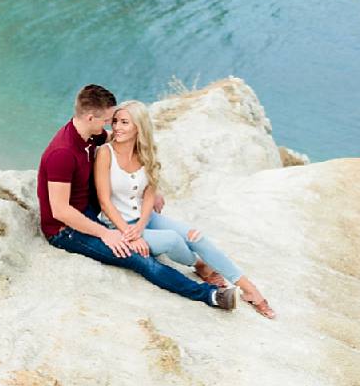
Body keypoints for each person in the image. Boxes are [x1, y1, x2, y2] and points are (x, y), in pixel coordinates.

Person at [39, 84, 235, 309]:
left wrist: (149, 187)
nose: (111, 125)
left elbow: (123, 142)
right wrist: (105, 234)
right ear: (91, 117)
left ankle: (198, 264)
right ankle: (210, 295)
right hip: (66, 230)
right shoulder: (62, 153)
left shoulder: (91, 135)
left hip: (91, 212)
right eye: (108, 120)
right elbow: (61, 211)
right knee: (138, 258)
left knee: (157, 237)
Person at [95, 101, 275, 318]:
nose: (117, 127)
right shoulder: (105, 153)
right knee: (171, 239)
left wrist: (142, 223)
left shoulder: (146, 153)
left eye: (125, 122)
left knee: (195, 236)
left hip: (144, 218)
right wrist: (128, 232)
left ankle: (250, 289)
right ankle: (199, 264)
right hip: (117, 224)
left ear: (139, 127)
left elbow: (149, 193)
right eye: (115, 122)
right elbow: (104, 201)